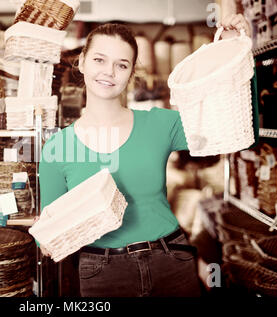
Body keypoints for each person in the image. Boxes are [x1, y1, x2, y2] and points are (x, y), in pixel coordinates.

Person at [37, 14, 253, 297]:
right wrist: (55, 233)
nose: (109, 72)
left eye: (121, 64)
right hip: (102, 272)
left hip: (170, 260)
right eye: (99, 60)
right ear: (82, 62)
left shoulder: (160, 124)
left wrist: (229, 51)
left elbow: (225, 126)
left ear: (131, 72)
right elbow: (50, 229)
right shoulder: (56, 148)